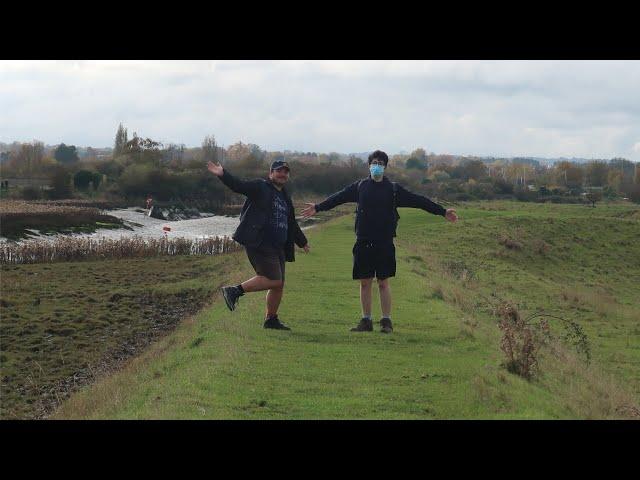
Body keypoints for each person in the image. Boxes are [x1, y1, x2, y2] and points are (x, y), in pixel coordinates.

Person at [301, 150, 458, 333]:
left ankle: (386, 321)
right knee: (365, 282)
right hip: (363, 241)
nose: (377, 166)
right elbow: (338, 198)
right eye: (374, 162)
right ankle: (365, 321)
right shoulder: (360, 187)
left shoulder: (393, 189)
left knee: (383, 282)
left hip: (385, 242)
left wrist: (442, 211)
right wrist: (318, 208)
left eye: (381, 163)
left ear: (385, 166)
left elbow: (419, 201)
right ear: (369, 165)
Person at [207, 159, 310, 330]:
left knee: (279, 284)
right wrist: (223, 174)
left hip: (279, 245)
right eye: (279, 171)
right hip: (260, 242)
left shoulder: (285, 196)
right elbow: (239, 186)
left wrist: (302, 241)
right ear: (271, 174)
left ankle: (271, 319)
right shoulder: (260, 187)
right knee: (274, 280)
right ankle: (234, 291)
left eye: (285, 172)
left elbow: (291, 222)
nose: (282, 174)